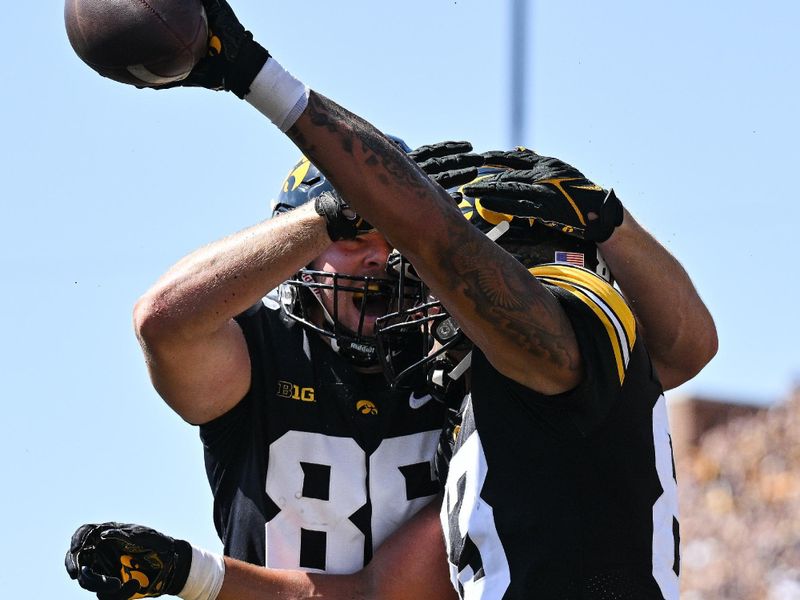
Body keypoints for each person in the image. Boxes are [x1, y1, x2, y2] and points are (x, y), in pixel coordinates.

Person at [66, 0, 716, 597]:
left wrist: (606, 220)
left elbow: (679, 353)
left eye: (392, 236)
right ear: (297, 247)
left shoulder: (478, 362)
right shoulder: (269, 348)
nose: (380, 255)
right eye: (355, 236)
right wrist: (330, 211)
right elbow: (163, 322)